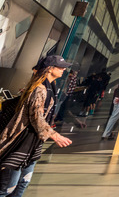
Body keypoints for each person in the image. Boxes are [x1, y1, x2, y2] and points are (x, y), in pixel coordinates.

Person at [0, 55, 73, 196]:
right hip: (21, 143)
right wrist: (55, 135)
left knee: (23, 183)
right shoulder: (39, 89)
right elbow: (36, 118)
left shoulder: (50, 88)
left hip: (33, 144)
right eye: (60, 66)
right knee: (8, 187)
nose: (64, 69)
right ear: (50, 68)